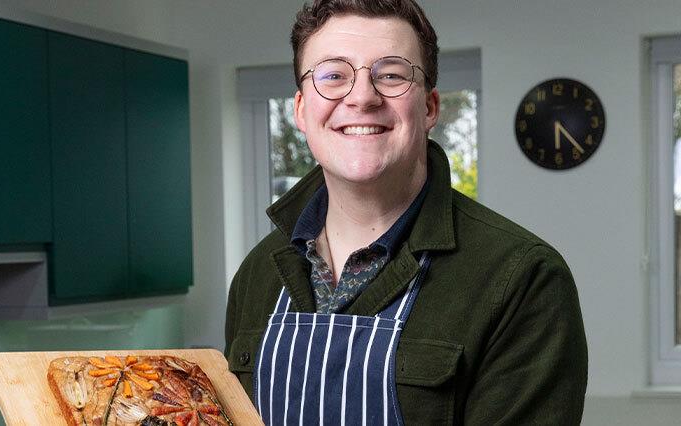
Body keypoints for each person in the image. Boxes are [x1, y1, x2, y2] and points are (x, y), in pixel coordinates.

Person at [225, 0, 588, 424]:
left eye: (392, 75)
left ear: (430, 107)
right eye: (334, 76)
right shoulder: (257, 275)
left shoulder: (522, 279)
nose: (362, 97)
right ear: (302, 110)